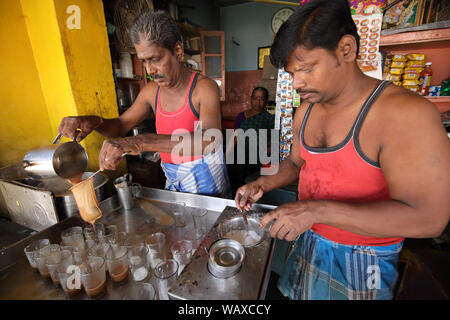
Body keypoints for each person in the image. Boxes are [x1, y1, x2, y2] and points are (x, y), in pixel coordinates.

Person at [235, 0, 450, 300]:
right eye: (291, 73)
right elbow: (297, 162)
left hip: (364, 257)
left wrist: (316, 210)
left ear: (346, 50)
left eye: (306, 68)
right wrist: (263, 182)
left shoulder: (405, 114)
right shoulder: (306, 111)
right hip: (308, 240)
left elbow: (429, 218)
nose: (297, 82)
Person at [57, 10, 230, 198]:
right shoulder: (151, 92)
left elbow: (209, 140)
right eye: (144, 62)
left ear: (178, 52)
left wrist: (139, 142)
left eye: (155, 59)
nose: (149, 70)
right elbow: (120, 126)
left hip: (207, 178)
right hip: (173, 176)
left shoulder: (204, 88)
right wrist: (95, 121)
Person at [228, 87, 275, 194]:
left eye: (262, 99)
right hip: (238, 157)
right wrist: (227, 156)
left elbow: (272, 143)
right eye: (255, 98)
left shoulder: (269, 119)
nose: (258, 102)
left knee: (251, 187)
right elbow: (234, 137)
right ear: (251, 99)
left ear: (266, 101)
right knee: (235, 184)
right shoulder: (241, 116)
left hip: (256, 161)